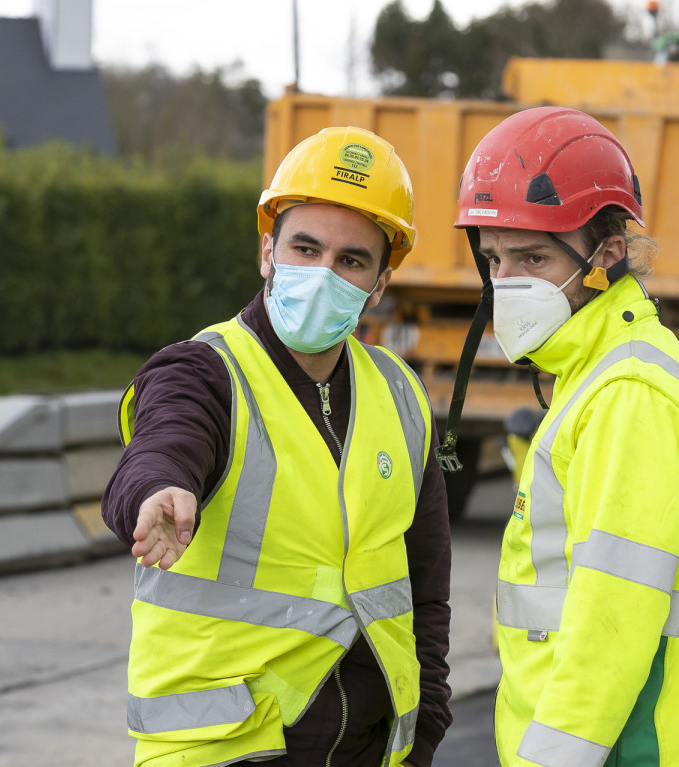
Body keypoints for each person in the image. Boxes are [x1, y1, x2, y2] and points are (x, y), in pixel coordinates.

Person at [101, 126, 452, 767]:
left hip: (369, 752)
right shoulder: (202, 370)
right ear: (268, 251)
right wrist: (157, 488)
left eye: (350, 261)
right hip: (227, 747)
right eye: (306, 248)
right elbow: (164, 440)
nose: (323, 274)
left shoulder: (402, 397)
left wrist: (424, 727)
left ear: (379, 282)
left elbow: (424, 591)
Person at [453, 107, 679, 765]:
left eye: (533, 255)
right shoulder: (597, 369)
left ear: (606, 254)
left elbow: (609, 630)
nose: (508, 282)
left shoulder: (628, 394)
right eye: (496, 258)